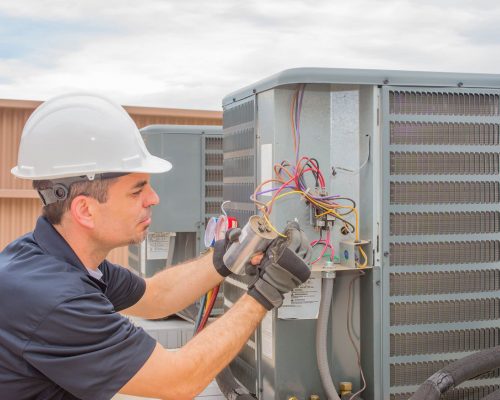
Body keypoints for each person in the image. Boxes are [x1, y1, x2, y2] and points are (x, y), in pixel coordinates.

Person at [0, 93, 312, 400]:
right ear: (85, 210)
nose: (154, 199)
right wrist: (268, 290)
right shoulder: (55, 300)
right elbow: (178, 380)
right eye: (137, 191)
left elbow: (155, 297)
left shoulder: (56, 258)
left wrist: (225, 257)